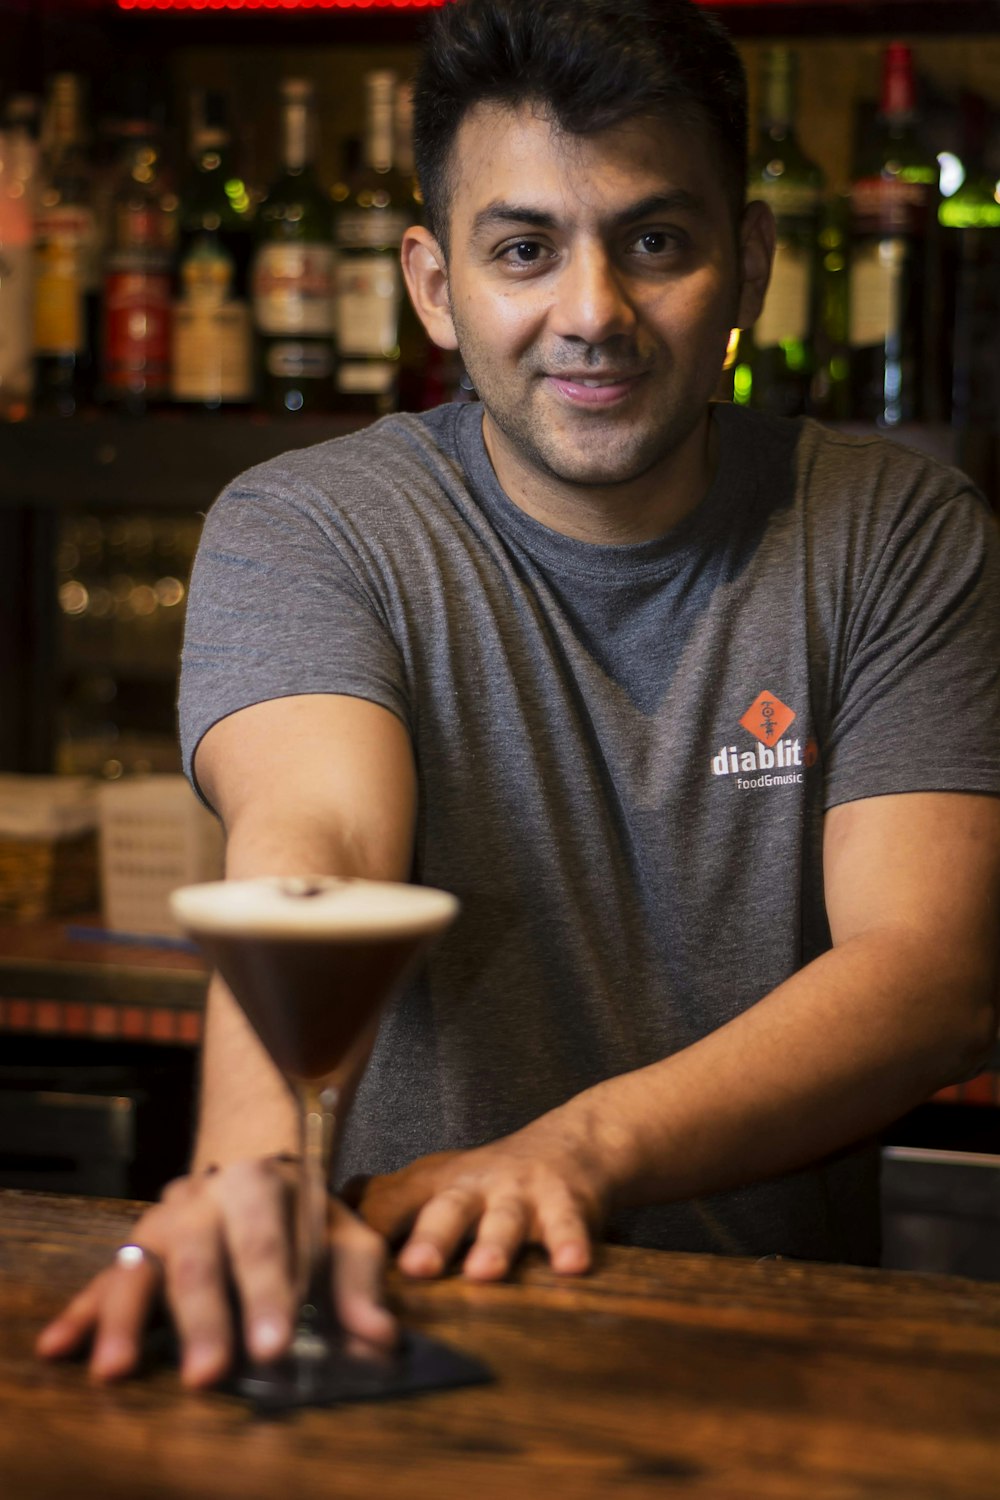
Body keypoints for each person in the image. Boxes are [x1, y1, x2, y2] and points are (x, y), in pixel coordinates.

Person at [40, 0, 999, 1389]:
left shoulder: (895, 529)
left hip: (777, 1351)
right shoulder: (313, 529)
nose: (594, 313)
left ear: (754, 266)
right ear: (433, 286)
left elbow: (933, 976)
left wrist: (577, 1149)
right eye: (525, 250)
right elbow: (321, 851)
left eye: (656, 241)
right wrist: (253, 1175)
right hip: (406, 1311)